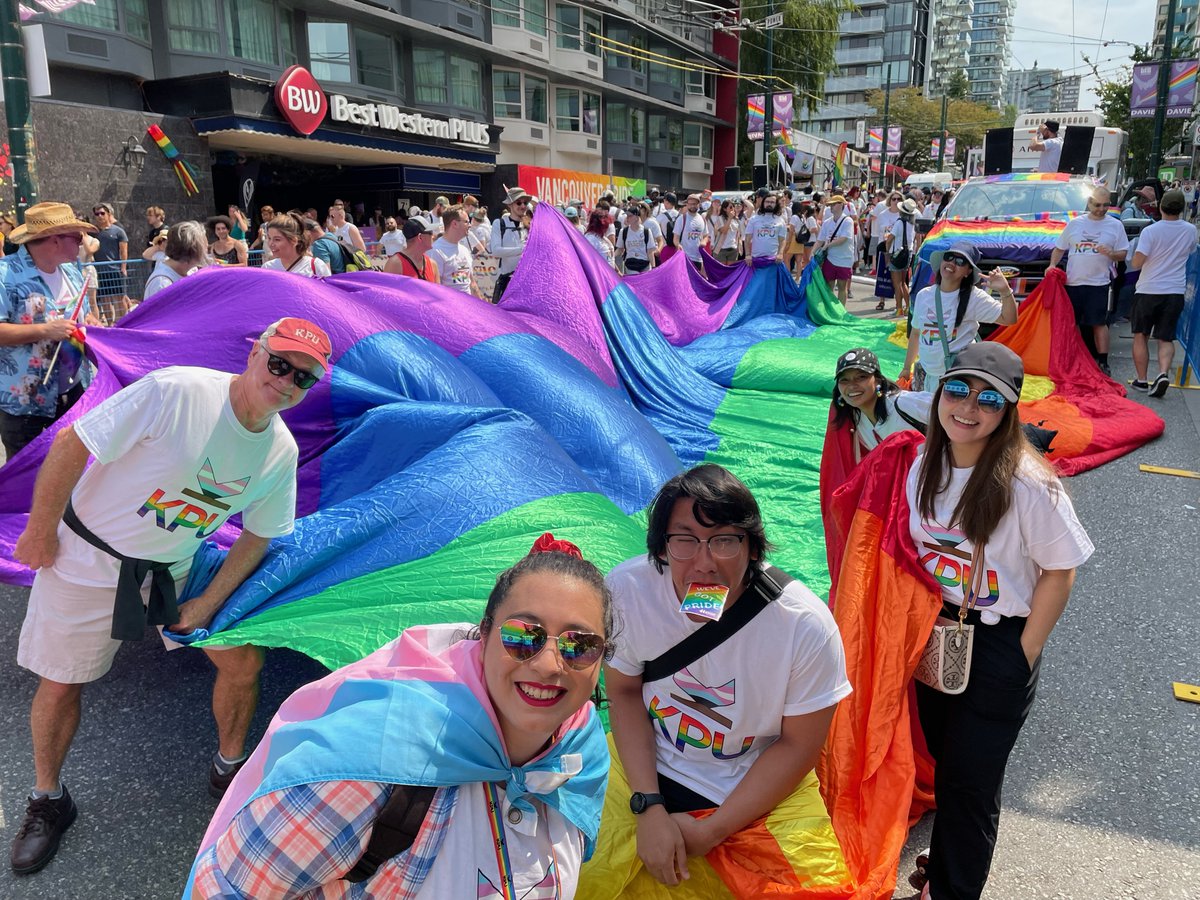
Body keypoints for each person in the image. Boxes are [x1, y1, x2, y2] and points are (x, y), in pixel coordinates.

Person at [8, 317, 332, 875]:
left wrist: (207, 603)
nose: (284, 381)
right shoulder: (178, 391)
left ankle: (230, 768)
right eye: (279, 363)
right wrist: (39, 530)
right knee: (61, 684)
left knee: (241, 659)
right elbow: (73, 441)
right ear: (256, 352)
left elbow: (261, 533)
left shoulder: (278, 449)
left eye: (301, 378)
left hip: (172, 569)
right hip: (86, 557)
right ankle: (48, 800)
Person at [186, 535, 611, 897]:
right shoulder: (368, 767)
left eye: (580, 645)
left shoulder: (581, 752)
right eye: (523, 635)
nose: (549, 664)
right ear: (483, 636)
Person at [578, 464, 851, 898]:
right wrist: (648, 806)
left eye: (724, 540)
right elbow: (625, 692)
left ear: (752, 547)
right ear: (663, 548)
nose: (704, 563)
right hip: (647, 765)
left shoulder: (805, 626)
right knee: (571, 873)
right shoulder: (629, 590)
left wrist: (715, 830)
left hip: (755, 785)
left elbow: (799, 744)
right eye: (685, 540)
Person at [906, 342, 1092, 900]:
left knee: (971, 784)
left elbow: (1060, 571)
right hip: (936, 635)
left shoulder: (1030, 484)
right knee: (945, 765)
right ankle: (943, 866)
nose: (969, 407)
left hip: (996, 645)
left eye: (989, 398)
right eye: (958, 389)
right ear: (941, 392)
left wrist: (1021, 654)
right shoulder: (922, 464)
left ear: (1009, 409)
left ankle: (952, 891)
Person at [0, 203, 97, 461]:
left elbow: (85, 317)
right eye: (77, 237)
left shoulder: (72, 273)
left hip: (74, 392)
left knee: (74, 475)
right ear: (55, 241)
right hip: (25, 404)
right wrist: (45, 330)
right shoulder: (5, 275)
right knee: (26, 487)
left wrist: (93, 325)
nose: (82, 242)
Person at [901, 243, 1018, 390]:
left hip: (956, 378)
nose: (951, 263)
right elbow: (916, 333)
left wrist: (1005, 291)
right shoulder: (923, 295)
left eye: (960, 261)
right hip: (926, 375)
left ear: (968, 272)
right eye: (949, 257)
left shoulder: (974, 297)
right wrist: (906, 368)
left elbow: (1009, 319)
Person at [1046, 184, 1127, 375]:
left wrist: (1112, 254)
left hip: (1099, 284)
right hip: (1073, 283)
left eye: (1105, 205)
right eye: (1097, 205)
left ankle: (1103, 362)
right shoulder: (1075, 223)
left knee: (1099, 323)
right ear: (1089, 203)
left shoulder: (1116, 225)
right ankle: (1068, 359)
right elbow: (1059, 248)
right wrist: (1052, 265)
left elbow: (1124, 254)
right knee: (1069, 324)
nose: (1101, 209)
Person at [1128, 188, 1196, 397]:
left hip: (1148, 288)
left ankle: (1141, 380)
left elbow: (1137, 263)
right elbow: (1191, 251)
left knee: (1141, 335)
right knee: (1166, 338)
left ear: (1160, 207)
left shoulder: (1151, 231)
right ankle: (1163, 373)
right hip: (1174, 291)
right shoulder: (1190, 230)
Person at [829, 347, 931, 466]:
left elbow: (947, 407)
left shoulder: (902, 403)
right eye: (844, 380)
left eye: (861, 377)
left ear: (877, 380)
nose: (852, 386)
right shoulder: (857, 420)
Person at [142, 221, 209, 300]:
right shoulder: (161, 284)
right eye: (204, 248)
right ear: (192, 250)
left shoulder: (192, 271)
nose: (206, 251)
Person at [428, 204, 482, 296]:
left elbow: (472, 284)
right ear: (455, 224)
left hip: (467, 307)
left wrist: (481, 307)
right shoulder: (436, 251)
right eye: (466, 222)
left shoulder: (464, 250)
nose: (470, 225)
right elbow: (434, 288)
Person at [813, 195, 856, 306]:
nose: (831, 207)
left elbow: (844, 238)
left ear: (841, 205)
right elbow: (820, 240)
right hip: (830, 259)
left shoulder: (848, 221)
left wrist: (827, 246)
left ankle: (841, 312)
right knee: (828, 286)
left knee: (842, 287)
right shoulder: (827, 222)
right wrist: (812, 253)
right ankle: (830, 310)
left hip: (844, 259)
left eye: (833, 204)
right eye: (830, 205)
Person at [490, 187, 530, 302]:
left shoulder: (530, 225)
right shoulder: (499, 223)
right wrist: (522, 249)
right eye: (518, 202)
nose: (523, 206)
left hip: (526, 283)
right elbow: (496, 251)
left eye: (525, 203)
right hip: (506, 282)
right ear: (510, 205)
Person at [91, 202, 129, 324]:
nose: (99, 216)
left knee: (119, 298)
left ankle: (122, 323)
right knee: (105, 300)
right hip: (99, 271)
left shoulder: (118, 231)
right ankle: (109, 324)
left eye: (102, 213)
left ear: (108, 214)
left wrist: (123, 267)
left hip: (115, 270)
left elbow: (123, 251)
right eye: (97, 214)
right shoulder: (93, 231)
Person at [261, 212, 332, 278]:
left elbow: (328, 290)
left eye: (277, 239)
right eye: (269, 238)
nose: (271, 244)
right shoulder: (267, 268)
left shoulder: (316, 266)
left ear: (294, 241)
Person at [885, 197, 918, 317]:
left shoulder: (899, 222)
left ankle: (899, 308)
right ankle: (908, 307)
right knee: (904, 282)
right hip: (908, 254)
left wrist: (887, 254)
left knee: (897, 283)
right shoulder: (912, 224)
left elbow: (889, 240)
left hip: (897, 254)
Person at [742, 192, 786, 264]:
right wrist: (747, 254)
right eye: (767, 202)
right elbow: (747, 238)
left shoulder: (780, 221)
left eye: (772, 202)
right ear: (763, 203)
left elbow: (782, 240)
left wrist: (780, 254)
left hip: (773, 260)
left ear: (776, 205)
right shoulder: (754, 219)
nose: (769, 204)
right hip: (756, 260)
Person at [674, 194, 708, 270]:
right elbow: (676, 238)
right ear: (687, 204)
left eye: (694, 204)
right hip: (684, 257)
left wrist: (704, 241)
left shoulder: (702, 219)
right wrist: (678, 245)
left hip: (698, 258)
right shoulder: (681, 219)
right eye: (690, 204)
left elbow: (706, 235)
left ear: (698, 205)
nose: (692, 206)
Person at [616, 206, 654, 273]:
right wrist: (611, 257)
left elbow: (650, 252)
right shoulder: (624, 231)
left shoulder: (646, 231)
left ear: (636, 217)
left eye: (630, 216)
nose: (627, 218)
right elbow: (620, 249)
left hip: (645, 264)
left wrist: (653, 267)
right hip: (630, 264)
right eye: (627, 216)